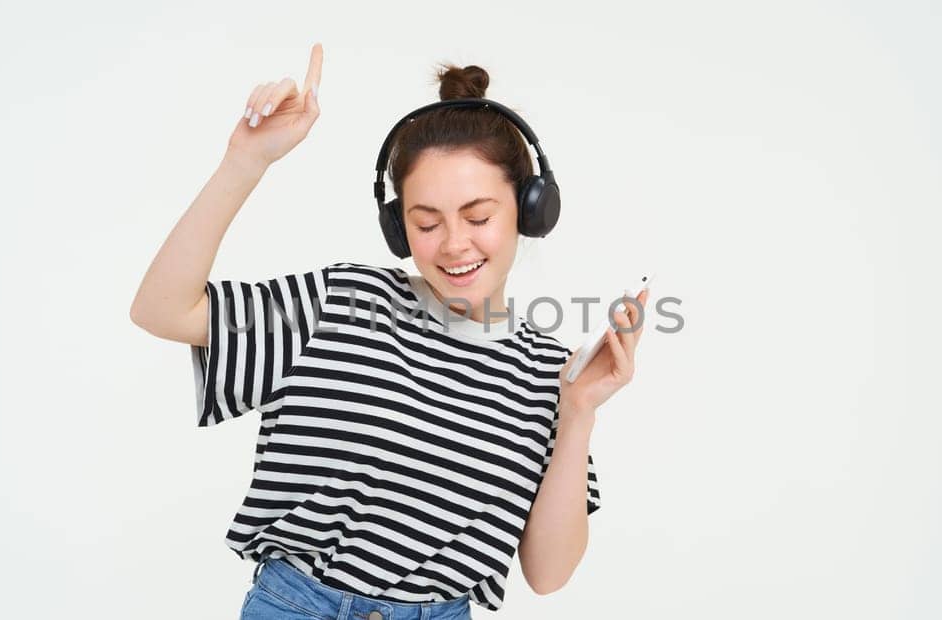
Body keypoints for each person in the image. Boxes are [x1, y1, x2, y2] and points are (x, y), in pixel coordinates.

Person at [130, 43, 649, 618]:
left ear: (530, 209)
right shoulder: (345, 302)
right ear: (397, 227)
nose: (453, 244)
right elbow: (162, 309)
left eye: (478, 218)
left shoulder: (547, 373)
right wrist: (244, 161)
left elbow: (548, 574)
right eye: (426, 223)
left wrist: (578, 414)